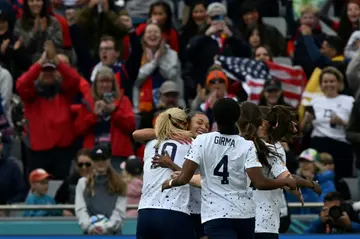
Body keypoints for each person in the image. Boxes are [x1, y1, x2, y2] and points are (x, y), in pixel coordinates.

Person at [162, 98, 297, 239]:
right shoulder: (247, 145)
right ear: (237, 117)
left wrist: (170, 183)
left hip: (216, 215)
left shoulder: (203, 141)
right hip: (245, 215)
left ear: (214, 118)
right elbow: (260, 182)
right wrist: (285, 182)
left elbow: (184, 178)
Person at [240, 103, 321, 239]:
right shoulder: (269, 148)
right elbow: (287, 178)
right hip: (264, 220)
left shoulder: (241, 144)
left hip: (240, 217)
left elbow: (285, 178)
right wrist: (311, 185)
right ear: (265, 123)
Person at [135, 111, 210, 239]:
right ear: (185, 124)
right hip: (175, 211)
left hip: (145, 212)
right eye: (199, 123)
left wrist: (166, 132)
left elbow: (136, 134)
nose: (204, 127)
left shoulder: (151, 143)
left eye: (207, 126)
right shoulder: (192, 144)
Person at [75, 145, 127, 235]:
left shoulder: (120, 183)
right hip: (90, 233)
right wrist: (89, 227)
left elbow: (120, 211)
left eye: (103, 159)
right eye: (96, 159)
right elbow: (80, 209)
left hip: (113, 234)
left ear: (109, 160)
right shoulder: (82, 183)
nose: (100, 162)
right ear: (92, 161)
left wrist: (106, 228)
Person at [55, 148, 93, 217]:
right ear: (76, 165)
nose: (84, 167)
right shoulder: (69, 182)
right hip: (73, 220)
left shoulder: (102, 181)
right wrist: (62, 211)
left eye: (87, 164)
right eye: (80, 165)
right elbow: (57, 202)